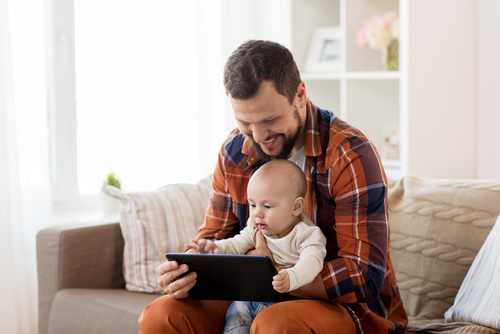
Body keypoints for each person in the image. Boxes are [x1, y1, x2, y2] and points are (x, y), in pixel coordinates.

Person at [139, 40, 408, 334]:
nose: (258, 136)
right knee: (161, 315)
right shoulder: (235, 150)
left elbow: (364, 276)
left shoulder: (349, 154)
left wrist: (274, 274)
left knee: (275, 325)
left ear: (300, 95)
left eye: (270, 120)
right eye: (245, 122)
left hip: (343, 308)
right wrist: (187, 273)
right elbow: (215, 241)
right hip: (250, 297)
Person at [188, 159, 327, 334]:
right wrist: (214, 249)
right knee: (234, 329)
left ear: (296, 207)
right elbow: (236, 244)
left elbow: (312, 262)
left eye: (267, 206)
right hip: (245, 302)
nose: (257, 214)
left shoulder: (307, 234)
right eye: (253, 205)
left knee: (271, 324)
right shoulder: (255, 227)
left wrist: (292, 277)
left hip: (285, 300)